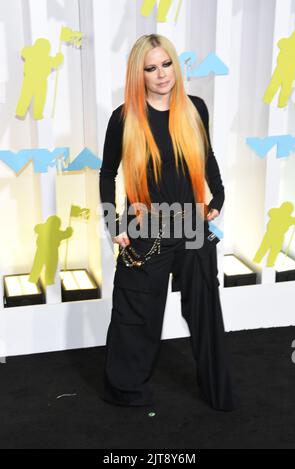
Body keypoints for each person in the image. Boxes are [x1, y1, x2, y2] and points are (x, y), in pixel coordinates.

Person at [99, 34, 238, 411]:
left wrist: (219, 195)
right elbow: (107, 173)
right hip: (145, 228)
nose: (162, 75)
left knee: (206, 312)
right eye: (151, 68)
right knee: (135, 314)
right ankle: (126, 392)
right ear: (138, 74)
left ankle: (216, 391)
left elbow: (206, 156)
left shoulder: (195, 109)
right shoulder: (124, 118)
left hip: (192, 225)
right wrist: (114, 224)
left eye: (166, 64)